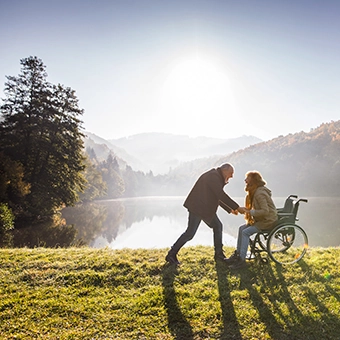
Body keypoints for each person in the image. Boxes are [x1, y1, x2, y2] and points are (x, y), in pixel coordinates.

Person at [165, 163, 246, 265]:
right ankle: (171, 254)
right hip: (198, 208)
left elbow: (217, 196)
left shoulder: (216, 176)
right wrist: (237, 207)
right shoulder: (213, 177)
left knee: (217, 226)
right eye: (231, 173)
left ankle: (219, 255)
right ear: (225, 171)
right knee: (190, 233)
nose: (232, 176)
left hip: (203, 208)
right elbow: (220, 195)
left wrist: (230, 209)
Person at [225, 171, 277, 269]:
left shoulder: (259, 193)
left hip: (267, 221)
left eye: (247, 179)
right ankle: (238, 255)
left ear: (253, 181)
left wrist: (250, 212)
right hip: (261, 219)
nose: (245, 180)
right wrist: (247, 210)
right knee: (241, 228)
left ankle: (241, 260)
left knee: (245, 232)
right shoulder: (255, 191)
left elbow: (265, 211)